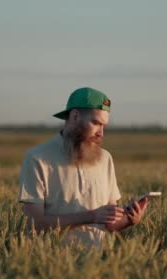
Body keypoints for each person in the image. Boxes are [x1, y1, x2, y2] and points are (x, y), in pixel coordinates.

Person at [17, 87, 149, 248]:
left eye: (104, 126)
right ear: (75, 116)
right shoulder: (37, 158)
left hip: (97, 264)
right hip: (52, 261)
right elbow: (35, 223)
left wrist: (129, 219)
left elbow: (109, 224)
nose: (101, 133)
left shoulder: (105, 159)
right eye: (96, 123)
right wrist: (91, 216)